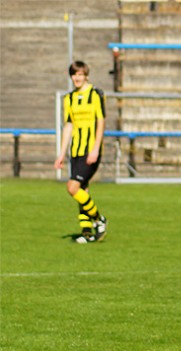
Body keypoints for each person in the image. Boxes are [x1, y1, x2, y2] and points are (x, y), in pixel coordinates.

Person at [54, 61, 108, 244]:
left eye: (80, 74)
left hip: (90, 150)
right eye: (74, 74)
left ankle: (99, 220)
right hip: (75, 151)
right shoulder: (68, 99)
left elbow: (101, 122)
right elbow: (68, 126)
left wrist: (95, 148)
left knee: (72, 187)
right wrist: (61, 154)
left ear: (86, 76)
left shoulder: (96, 95)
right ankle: (87, 233)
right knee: (82, 190)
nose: (77, 78)